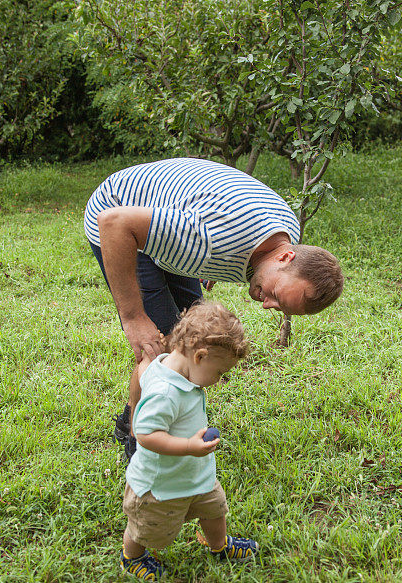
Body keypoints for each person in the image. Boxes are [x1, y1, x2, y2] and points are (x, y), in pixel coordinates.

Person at [84, 157, 344, 458]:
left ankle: (136, 417)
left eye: (278, 307)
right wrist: (133, 317)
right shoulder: (208, 239)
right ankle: (137, 439)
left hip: (170, 216)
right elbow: (114, 223)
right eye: (276, 295)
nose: (266, 304)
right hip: (117, 213)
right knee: (166, 346)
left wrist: (212, 265)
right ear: (286, 258)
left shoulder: (286, 238)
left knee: (195, 334)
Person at [120, 302, 259, 580]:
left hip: (195, 476)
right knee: (145, 528)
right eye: (220, 373)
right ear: (199, 356)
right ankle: (132, 557)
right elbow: (145, 435)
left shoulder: (178, 373)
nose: (219, 380)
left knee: (215, 509)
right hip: (160, 487)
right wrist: (187, 447)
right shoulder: (164, 392)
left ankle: (218, 545)